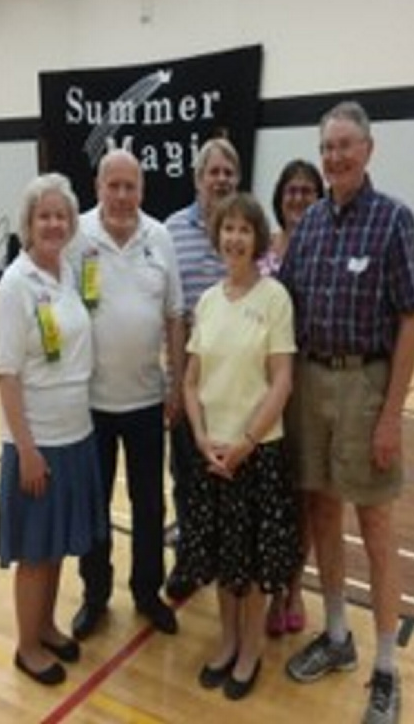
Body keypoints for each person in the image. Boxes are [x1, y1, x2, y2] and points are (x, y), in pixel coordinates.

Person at [279, 101, 414, 724]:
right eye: (327, 146)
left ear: (368, 150)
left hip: (366, 384)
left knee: (378, 528)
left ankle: (386, 667)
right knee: (320, 512)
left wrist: (391, 415)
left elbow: (411, 321)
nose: (334, 155)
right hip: (310, 381)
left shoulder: (394, 221)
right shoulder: (308, 225)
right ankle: (337, 637)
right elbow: (280, 305)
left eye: (345, 145)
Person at [179, 191, 300, 701]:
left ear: (257, 239)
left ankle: (251, 651)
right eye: (227, 228)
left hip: (256, 454)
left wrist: (247, 443)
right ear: (217, 235)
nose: (234, 238)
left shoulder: (274, 298)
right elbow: (190, 382)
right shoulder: (207, 301)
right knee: (223, 560)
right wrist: (204, 439)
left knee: (249, 566)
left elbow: (282, 382)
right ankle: (227, 642)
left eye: (244, 230)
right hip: (214, 456)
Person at [0, 173, 106, 687]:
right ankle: (27, 645)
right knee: (36, 552)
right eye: (45, 216)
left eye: (62, 215)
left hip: (75, 432)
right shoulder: (15, 285)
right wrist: (28, 450)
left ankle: (48, 626)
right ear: (28, 225)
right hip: (38, 442)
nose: (55, 224)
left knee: (56, 544)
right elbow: (6, 374)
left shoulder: (66, 272)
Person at [66, 149, 185, 640]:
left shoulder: (160, 237)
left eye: (129, 186)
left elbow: (175, 314)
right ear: (97, 187)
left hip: (145, 401)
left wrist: (176, 381)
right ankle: (95, 596)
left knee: (149, 504)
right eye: (112, 185)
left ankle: (145, 592)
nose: (120, 196)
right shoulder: (77, 236)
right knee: (93, 505)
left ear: (142, 189)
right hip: (89, 404)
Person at [163, 137, 240, 601]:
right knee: (188, 478)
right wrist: (174, 383)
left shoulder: (248, 228)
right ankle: (191, 561)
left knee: (231, 480)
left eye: (229, 172)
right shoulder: (171, 231)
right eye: (213, 172)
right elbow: (169, 312)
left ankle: (229, 564)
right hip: (189, 382)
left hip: (237, 385)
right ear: (197, 179)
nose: (221, 180)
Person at [261, 159, 324, 638]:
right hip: (261, 387)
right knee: (269, 496)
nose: (299, 198)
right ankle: (267, 588)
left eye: (307, 190)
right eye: (291, 191)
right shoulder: (263, 251)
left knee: (302, 497)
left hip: (308, 385)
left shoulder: (327, 246)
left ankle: (293, 588)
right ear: (279, 198)